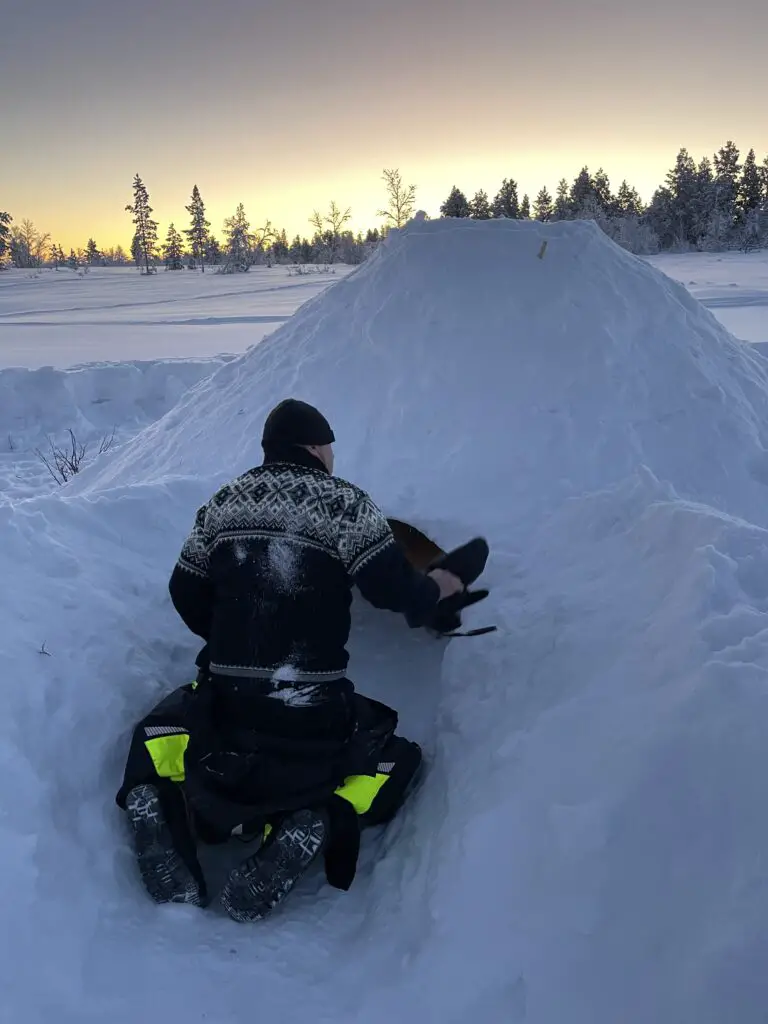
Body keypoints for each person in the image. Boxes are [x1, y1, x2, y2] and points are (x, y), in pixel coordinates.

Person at [116, 398, 466, 922]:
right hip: (313, 718)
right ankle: (319, 816)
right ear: (317, 447)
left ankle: (161, 801)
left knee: (160, 733)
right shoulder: (346, 504)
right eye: (329, 447)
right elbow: (397, 592)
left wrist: (233, 636)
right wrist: (440, 586)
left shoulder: (223, 503)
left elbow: (184, 590)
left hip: (225, 712)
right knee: (396, 758)